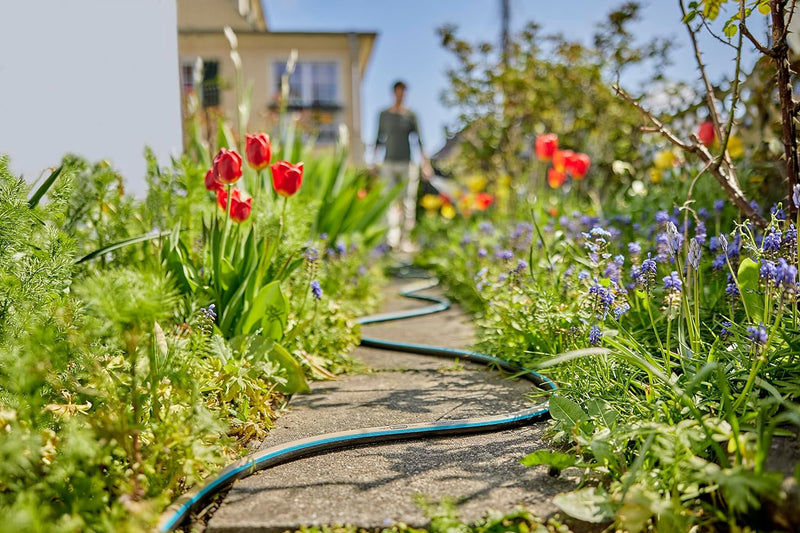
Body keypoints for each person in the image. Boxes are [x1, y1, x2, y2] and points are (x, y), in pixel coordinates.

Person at [374, 80, 432, 252]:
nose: (401, 94)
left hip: (407, 164)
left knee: (407, 202)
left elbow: (420, 141)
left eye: (403, 92)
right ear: (394, 93)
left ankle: (405, 240)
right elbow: (378, 139)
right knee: (388, 201)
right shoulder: (384, 115)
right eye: (398, 91)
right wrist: (373, 161)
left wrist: (425, 164)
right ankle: (391, 241)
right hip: (388, 163)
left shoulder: (410, 115)